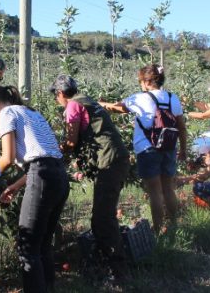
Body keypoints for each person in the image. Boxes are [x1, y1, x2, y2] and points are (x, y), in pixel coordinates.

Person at [0, 85, 69, 293]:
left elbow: (7, 158)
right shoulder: (31, 112)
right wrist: (15, 185)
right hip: (59, 177)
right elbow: (44, 158)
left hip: (41, 176)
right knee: (43, 244)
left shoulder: (6, 112)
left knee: (27, 247)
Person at [49, 74, 130, 280]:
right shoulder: (88, 100)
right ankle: (112, 263)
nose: (56, 100)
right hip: (116, 158)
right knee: (105, 215)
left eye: (55, 96)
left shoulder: (72, 107)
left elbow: (71, 141)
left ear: (60, 93)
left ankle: (117, 271)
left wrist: (54, 153)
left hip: (109, 161)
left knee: (102, 219)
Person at [100, 65, 188, 234]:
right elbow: (182, 127)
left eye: (141, 81)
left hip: (148, 149)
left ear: (147, 82)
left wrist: (98, 104)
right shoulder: (172, 98)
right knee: (168, 188)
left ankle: (157, 230)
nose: (140, 84)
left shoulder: (140, 98)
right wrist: (182, 149)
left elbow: (116, 108)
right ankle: (174, 225)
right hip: (169, 147)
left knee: (154, 191)